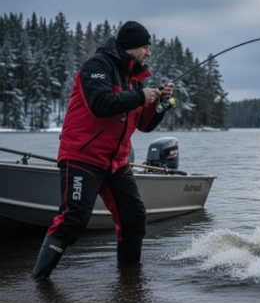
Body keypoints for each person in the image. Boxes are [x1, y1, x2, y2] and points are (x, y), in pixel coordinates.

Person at [32, 21, 174, 282]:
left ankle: (129, 282)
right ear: (131, 46)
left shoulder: (134, 80)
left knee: (134, 220)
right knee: (74, 219)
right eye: (145, 47)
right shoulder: (96, 67)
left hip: (116, 162)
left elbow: (143, 124)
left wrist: (159, 105)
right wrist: (142, 97)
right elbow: (101, 104)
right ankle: (39, 281)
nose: (148, 53)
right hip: (82, 156)